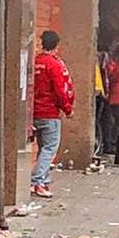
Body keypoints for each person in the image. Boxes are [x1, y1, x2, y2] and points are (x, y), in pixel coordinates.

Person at [31, 31, 74, 197]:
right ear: (57, 45)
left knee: (43, 148)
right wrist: (67, 109)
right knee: (50, 149)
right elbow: (59, 90)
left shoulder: (36, 61)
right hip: (50, 113)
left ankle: (44, 181)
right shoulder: (54, 64)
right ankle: (38, 181)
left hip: (35, 111)